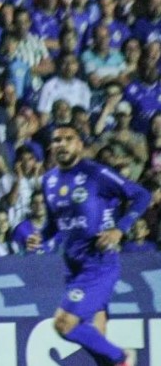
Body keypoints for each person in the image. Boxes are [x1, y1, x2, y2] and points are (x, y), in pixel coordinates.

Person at [34, 124, 148, 366]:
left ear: (80, 145)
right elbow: (54, 224)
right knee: (98, 343)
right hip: (73, 266)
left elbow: (141, 195)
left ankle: (123, 356)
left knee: (64, 324)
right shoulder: (48, 180)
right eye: (56, 140)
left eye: (68, 139)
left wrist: (120, 228)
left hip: (98, 263)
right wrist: (41, 237)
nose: (61, 144)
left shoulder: (96, 174)